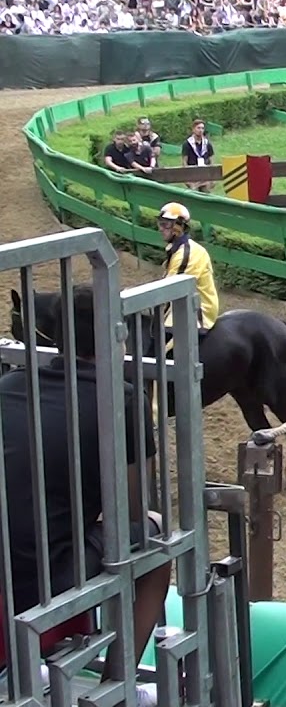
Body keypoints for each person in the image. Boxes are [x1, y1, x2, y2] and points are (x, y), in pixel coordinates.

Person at [0, 286, 167, 705]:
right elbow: (134, 507)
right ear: (117, 336)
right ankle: (119, 683)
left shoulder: (8, 386)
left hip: (4, 562)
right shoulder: (123, 398)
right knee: (158, 533)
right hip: (50, 573)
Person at [158, 202, 219, 335]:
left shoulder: (186, 254)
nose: (161, 229)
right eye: (160, 223)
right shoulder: (177, 249)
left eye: (166, 224)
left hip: (198, 312)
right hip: (185, 304)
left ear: (179, 227)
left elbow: (170, 291)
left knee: (163, 342)